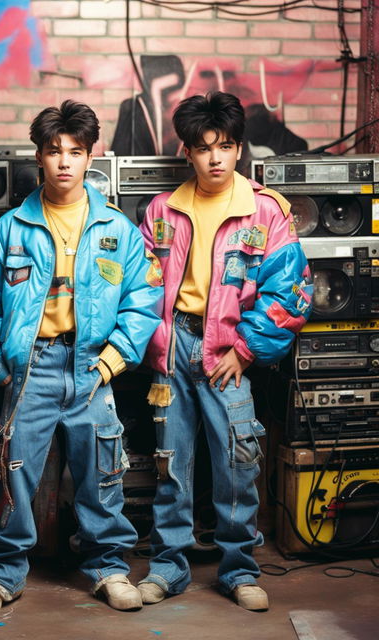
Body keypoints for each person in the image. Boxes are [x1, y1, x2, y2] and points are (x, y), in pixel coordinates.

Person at [0, 99, 163, 615]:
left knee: (101, 470)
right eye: (55, 152)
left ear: (90, 155)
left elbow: (144, 300)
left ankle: (109, 567)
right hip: (32, 368)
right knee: (14, 470)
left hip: (93, 368)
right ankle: (4, 572)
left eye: (76, 151)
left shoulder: (116, 229)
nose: (65, 162)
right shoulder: (10, 229)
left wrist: (115, 359)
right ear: (40, 157)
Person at [137, 92, 312, 611]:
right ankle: (168, 568)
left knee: (237, 464)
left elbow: (290, 290)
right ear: (186, 152)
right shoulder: (162, 210)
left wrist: (246, 349)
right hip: (174, 348)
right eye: (204, 147)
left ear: (239, 149)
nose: (215, 158)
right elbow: (140, 285)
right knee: (172, 465)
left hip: (228, 352)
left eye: (226, 146)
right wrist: (157, 343)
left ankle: (240, 570)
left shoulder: (266, 211)